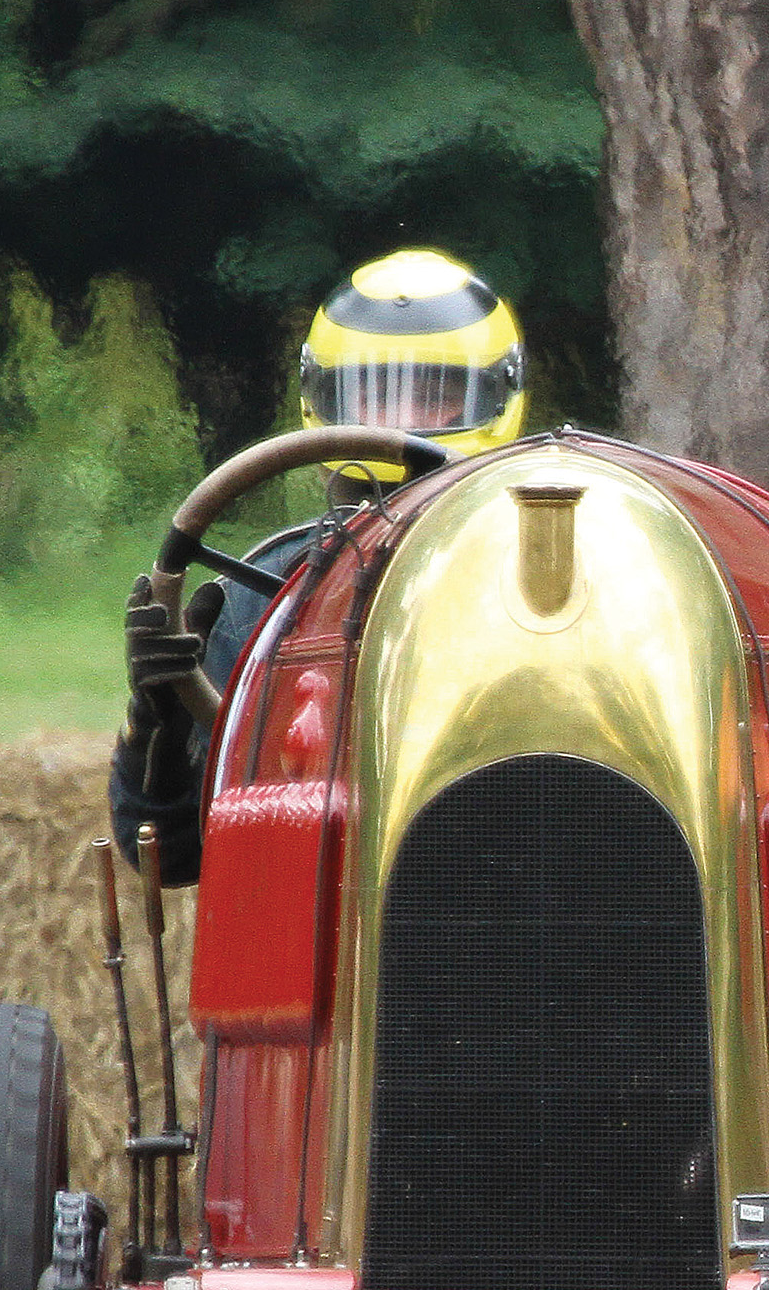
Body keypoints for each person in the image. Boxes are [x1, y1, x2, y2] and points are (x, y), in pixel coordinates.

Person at [110, 249, 527, 884]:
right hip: (310, 917)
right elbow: (165, 859)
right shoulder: (259, 595)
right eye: (374, 395)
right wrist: (159, 726)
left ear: (498, 396)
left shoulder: (560, 577)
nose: (397, 422)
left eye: (435, 395)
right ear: (322, 403)